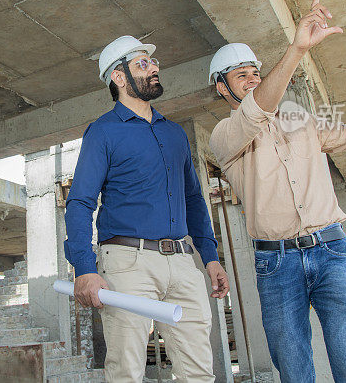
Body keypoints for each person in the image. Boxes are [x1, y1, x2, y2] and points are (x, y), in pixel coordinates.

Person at [208, 0, 346, 383]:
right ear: (222, 89)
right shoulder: (225, 137)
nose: (253, 79)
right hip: (276, 264)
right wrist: (297, 49)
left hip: (331, 249)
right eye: (241, 76)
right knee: (294, 372)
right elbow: (259, 109)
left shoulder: (300, 118)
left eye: (255, 72)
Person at [64, 35, 230, 383]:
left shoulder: (174, 133)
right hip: (127, 265)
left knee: (200, 372)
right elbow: (80, 202)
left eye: (153, 62)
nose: (153, 67)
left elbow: (194, 199)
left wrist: (210, 256)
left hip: (184, 263)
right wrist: (84, 266)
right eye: (142, 63)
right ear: (118, 78)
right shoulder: (103, 132)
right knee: (127, 371)